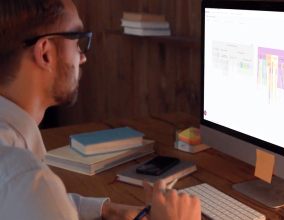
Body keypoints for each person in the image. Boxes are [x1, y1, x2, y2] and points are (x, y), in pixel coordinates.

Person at [0, 0, 201, 219]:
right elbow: (40, 197)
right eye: (78, 40)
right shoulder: (29, 180)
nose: (83, 56)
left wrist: (109, 210)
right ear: (45, 53)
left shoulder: (19, 176)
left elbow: (40, 205)